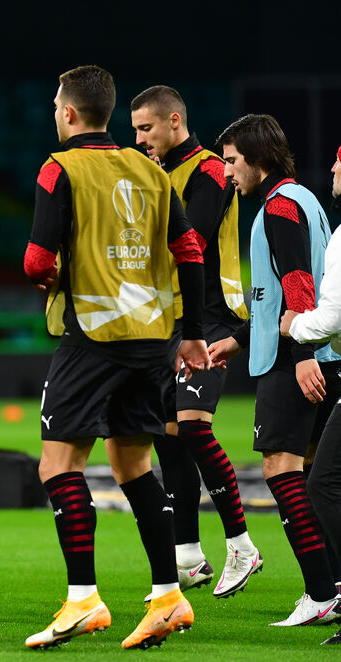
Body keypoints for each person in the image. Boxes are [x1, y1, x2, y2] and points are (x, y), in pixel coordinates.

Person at [23, 65, 210, 650]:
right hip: (154, 338)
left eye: (58, 105)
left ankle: (83, 599)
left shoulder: (60, 169)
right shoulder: (151, 169)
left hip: (93, 337)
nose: (56, 113)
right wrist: (192, 332)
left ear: (71, 113)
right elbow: (191, 252)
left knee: (58, 465)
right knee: (132, 467)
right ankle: (167, 596)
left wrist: (52, 275)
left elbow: (34, 261)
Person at [129, 85, 262, 597]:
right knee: (169, 436)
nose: (140, 138)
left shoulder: (209, 169)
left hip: (211, 318)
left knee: (193, 429)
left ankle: (242, 545)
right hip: (172, 320)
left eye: (147, 128)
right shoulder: (156, 172)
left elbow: (194, 237)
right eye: (136, 129)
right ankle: (188, 556)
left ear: (175, 121)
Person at [210, 114, 341, 627]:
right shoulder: (303, 198)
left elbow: (299, 284)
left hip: (298, 363)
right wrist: (240, 339)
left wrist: (301, 354)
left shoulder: (279, 206)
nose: (227, 173)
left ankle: (319, 590)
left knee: (280, 472)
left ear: (257, 160)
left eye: (232, 161)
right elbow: (274, 294)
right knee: (314, 476)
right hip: (318, 356)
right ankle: (331, 586)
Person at [281, 144, 341, 645]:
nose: (335, 168)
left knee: (321, 483)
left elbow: (332, 316)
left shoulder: (284, 206)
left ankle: (334, 590)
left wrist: (295, 328)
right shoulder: (314, 207)